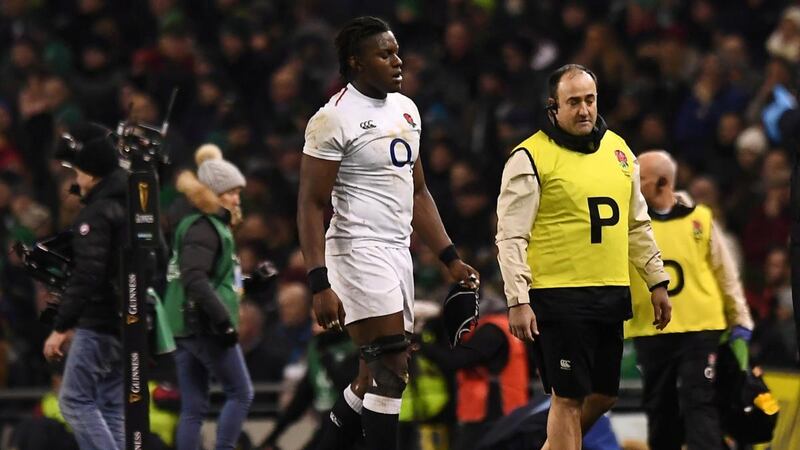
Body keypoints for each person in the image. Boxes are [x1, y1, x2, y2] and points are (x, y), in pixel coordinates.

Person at [297, 16, 479, 450]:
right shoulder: (332, 119)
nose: (399, 61)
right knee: (392, 368)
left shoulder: (407, 109)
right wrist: (318, 281)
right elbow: (309, 204)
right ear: (357, 63)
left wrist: (449, 257)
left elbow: (418, 191)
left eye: (397, 52)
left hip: (398, 253)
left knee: (369, 378)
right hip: (356, 251)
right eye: (386, 54)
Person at [495, 64, 671, 450]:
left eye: (589, 100)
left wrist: (656, 280)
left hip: (609, 294)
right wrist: (518, 299)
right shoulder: (530, 158)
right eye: (572, 102)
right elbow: (511, 237)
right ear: (552, 107)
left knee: (604, 396)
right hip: (559, 298)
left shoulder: (620, 150)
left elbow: (636, 224)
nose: (584, 110)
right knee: (568, 399)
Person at [626, 150, 755, 450]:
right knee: (660, 407)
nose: (631, 184)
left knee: (700, 401)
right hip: (652, 328)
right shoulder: (629, 225)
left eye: (639, 179)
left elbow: (725, 273)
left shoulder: (700, 220)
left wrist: (740, 318)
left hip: (700, 327)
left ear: (661, 183)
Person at [42, 122, 127, 450]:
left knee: (73, 402)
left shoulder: (99, 212)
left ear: (91, 174)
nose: (76, 179)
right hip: (123, 323)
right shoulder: (130, 203)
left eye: (78, 172)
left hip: (99, 322)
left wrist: (62, 325)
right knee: (110, 405)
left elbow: (89, 274)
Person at [163, 144, 253, 450]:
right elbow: (195, 279)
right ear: (213, 193)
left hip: (183, 325)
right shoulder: (205, 227)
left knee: (194, 407)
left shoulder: (192, 223)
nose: (236, 198)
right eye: (230, 192)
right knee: (241, 393)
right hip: (204, 324)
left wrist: (255, 283)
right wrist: (223, 321)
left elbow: (216, 279)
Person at [419, 296, 529, 450]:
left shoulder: (490, 330)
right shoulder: (507, 326)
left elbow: (456, 360)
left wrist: (422, 345)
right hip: (510, 407)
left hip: (489, 410)